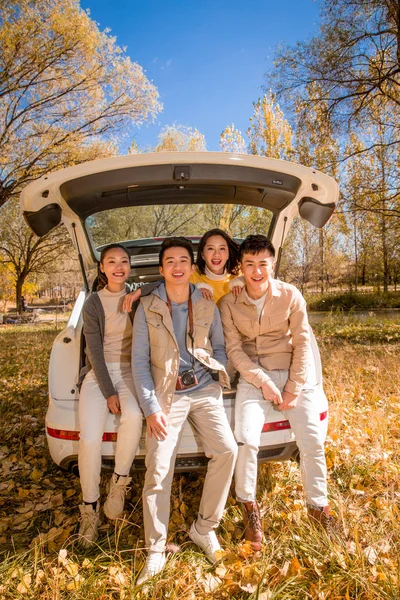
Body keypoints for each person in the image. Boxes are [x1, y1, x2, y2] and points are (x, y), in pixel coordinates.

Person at [132, 237, 238, 584]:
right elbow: (139, 363)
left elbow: (220, 347)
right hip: (166, 395)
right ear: (162, 269)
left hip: (204, 388)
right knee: (159, 468)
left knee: (227, 450)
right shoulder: (147, 306)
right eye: (170, 261)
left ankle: (204, 528)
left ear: (192, 268)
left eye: (183, 261)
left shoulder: (206, 303)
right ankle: (156, 549)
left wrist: (215, 373)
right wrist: (151, 408)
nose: (177, 267)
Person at [219, 234, 332, 551]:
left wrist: (294, 388)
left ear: (273, 264)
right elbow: (233, 349)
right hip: (254, 377)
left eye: (263, 265)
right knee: (247, 440)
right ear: (240, 266)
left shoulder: (291, 295)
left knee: (311, 441)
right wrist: (263, 382)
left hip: (296, 375)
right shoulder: (229, 301)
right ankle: (250, 512)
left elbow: (303, 343)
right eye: (250, 265)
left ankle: (318, 509)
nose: (256, 272)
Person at [77, 243, 143, 547]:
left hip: (131, 370)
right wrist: (109, 392)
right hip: (99, 375)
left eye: (124, 262)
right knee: (89, 438)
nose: (119, 266)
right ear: (102, 268)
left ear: (130, 267)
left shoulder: (137, 295)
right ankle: (89, 508)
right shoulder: (93, 303)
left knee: (133, 415)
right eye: (112, 262)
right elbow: (93, 353)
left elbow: (171, 283)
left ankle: (119, 482)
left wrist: (142, 291)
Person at [122, 229, 243, 312]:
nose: (217, 254)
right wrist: (139, 291)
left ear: (228, 253)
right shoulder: (191, 275)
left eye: (222, 249)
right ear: (202, 254)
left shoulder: (240, 277)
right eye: (210, 249)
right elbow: (165, 283)